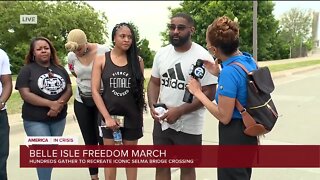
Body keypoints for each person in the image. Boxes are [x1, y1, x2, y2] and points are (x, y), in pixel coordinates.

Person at [147, 12, 218, 180]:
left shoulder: (202, 56)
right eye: (172, 27)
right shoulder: (162, 54)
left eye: (180, 27)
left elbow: (209, 92)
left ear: (191, 30)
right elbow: (154, 82)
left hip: (189, 125)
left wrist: (180, 111)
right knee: (161, 167)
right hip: (162, 123)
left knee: (187, 168)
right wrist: (152, 105)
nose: (175, 31)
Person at [186, 16, 258, 180]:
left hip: (234, 134)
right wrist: (218, 71)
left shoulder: (229, 72)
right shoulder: (248, 60)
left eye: (207, 44)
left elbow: (224, 116)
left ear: (213, 50)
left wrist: (198, 93)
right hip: (250, 133)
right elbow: (241, 84)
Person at [91, 22, 145, 180]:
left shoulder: (137, 60)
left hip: (132, 117)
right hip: (110, 117)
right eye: (122, 36)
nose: (127, 39)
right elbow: (95, 91)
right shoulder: (101, 59)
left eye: (129, 37)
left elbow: (140, 90)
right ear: (114, 37)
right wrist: (106, 117)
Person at [15, 37, 72, 180]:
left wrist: (59, 104)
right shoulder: (26, 70)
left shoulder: (59, 69)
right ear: (33, 53)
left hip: (59, 118)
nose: (43, 51)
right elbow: (25, 94)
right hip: (35, 120)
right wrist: (50, 104)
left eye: (46, 48)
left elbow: (69, 89)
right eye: (39, 49)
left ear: (51, 50)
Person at [65, 29, 110, 180]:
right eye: (74, 50)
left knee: (103, 139)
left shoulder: (103, 51)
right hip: (82, 100)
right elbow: (74, 72)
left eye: (79, 49)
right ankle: (94, 176)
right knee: (89, 140)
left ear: (86, 43)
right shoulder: (71, 56)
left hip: (102, 99)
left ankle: (109, 175)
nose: (77, 53)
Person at [0, 49, 13, 180]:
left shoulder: (1, 54)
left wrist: (2, 101)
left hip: (0, 115)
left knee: (1, 161)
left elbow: (7, 82)